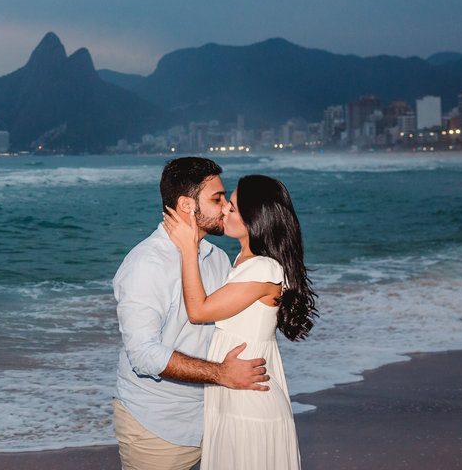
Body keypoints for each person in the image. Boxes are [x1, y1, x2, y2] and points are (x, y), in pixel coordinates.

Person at [113, 157, 270, 470]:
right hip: (158, 427)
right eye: (216, 198)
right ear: (187, 205)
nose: (226, 207)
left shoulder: (216, 258)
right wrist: (221, 373)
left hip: (213, 418)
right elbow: (144, 355)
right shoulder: (146, 265)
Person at [164, 174, 318, 470]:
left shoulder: (262, 267)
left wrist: (187, 248)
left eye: (231, 207)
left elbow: (199, 311)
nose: (223, 210)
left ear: (254, 218)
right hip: (238, 388)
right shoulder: (246, 261)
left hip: (249, 401)